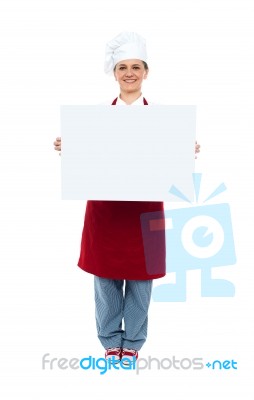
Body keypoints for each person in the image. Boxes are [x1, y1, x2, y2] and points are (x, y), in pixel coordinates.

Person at [53, 31, 200, 365]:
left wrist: (184, 151)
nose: (129, 72)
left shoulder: (164, 119)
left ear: (146, 72)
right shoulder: (92, 120)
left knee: (140, 281)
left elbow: (171, 166)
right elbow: (86, 160)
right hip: (105, 212)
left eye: (136, 66)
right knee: (105, 279)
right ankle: (109, 340)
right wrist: (69, 147)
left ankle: (132, 342)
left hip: (145, 213)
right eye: (123, 67)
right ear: (114, 73)